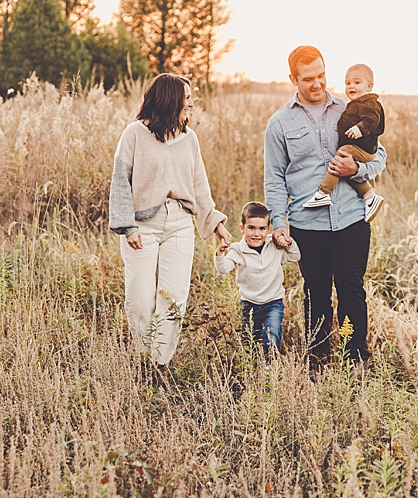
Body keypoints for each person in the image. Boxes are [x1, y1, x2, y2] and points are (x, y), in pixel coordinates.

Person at [264, 46, 386, 367]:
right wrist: (279, 222)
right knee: (315, 293)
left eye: (321, 75)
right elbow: (274, 177)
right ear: (293, 79)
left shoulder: (352, 109)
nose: (317, 84)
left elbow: (379, 155)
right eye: (308, 79)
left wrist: (357, 171)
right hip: (308, 223)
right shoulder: (279, 123)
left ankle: (354, 360)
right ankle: (317, 359)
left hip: (350, 219)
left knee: (351, 288)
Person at [109, 73, 232, 366]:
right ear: (170, 99)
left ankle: (158, 364)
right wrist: (128, 226)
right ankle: (142, 359)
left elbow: (199, 185)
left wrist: (216, 224)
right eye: (187, 97)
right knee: (140, 299)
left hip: (179, 224)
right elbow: (120, 182)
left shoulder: (190, 139)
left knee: (172, 298)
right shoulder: (135, 134)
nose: (191, 103)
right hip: (142, 226)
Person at [214, 201, 301, 357]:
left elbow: (295, 256)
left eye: (262, 229)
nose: (257, 234)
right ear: (242, 228)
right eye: (251, 228)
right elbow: (223, 268)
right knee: (249, 341)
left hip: (273, 302)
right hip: (249, 304)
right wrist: (220, 254)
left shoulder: (274, 245)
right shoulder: (238, 249)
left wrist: (288, 242)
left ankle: (269, 367)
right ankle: (252, 368)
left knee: (272, 334)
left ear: (268, 229)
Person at [303, 63, 386, 222]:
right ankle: (370, 197)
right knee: (346, 171)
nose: (351, 86)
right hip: (357, 147)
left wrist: (359, 129)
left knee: (342, 156)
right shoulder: (353, 104)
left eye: (357, 82)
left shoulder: (369, 102)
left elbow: (372, 120)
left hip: (363, 148)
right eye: (348, 83)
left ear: (369, 86)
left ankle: (323, 192)